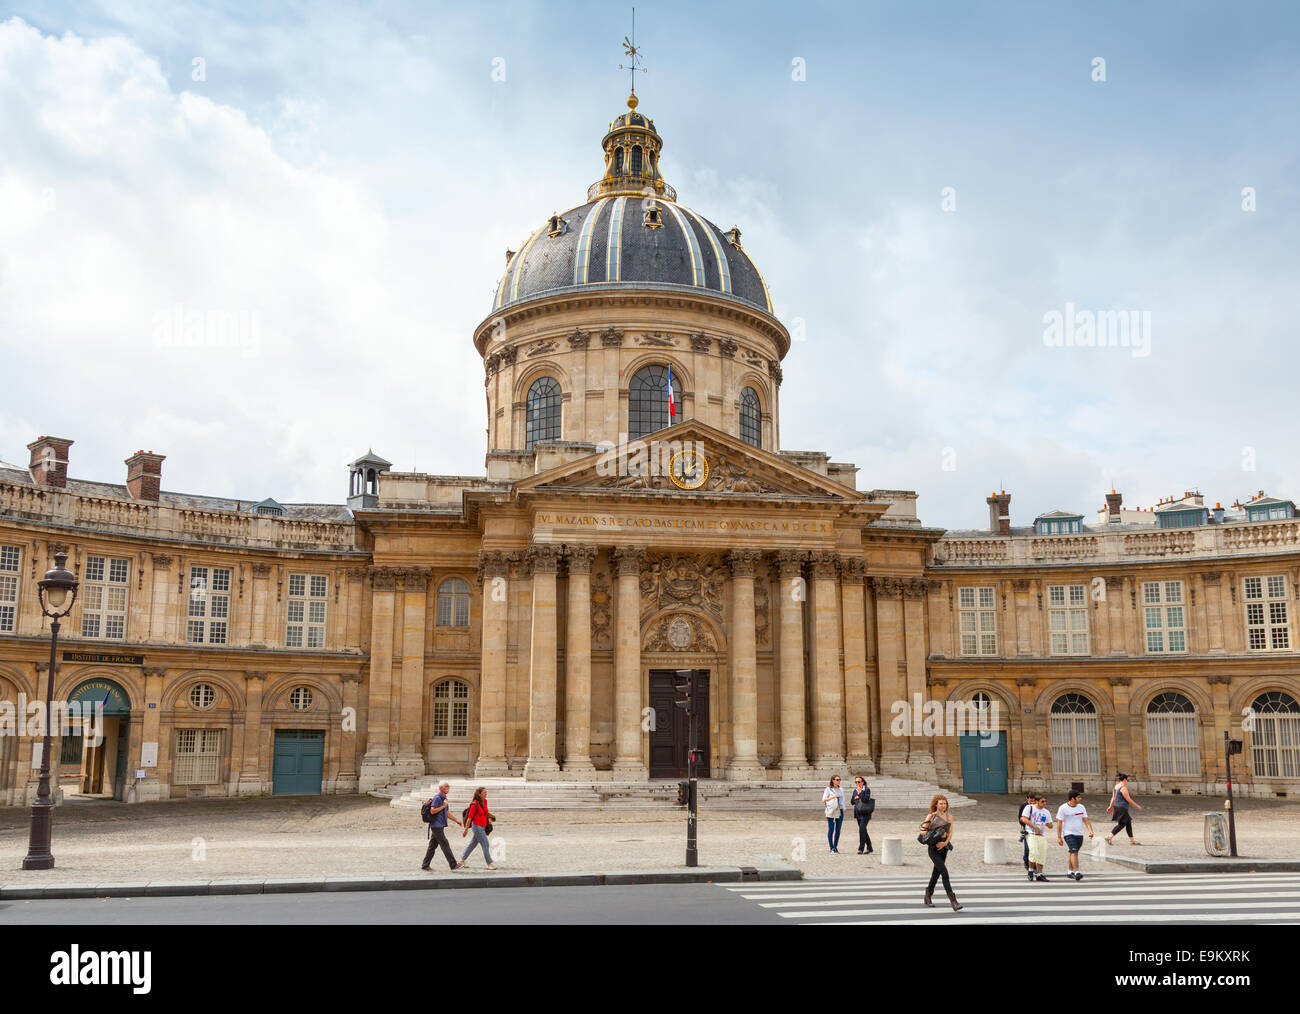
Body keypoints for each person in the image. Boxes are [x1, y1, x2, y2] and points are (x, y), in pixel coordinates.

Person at [920, 794, 962, 911]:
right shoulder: (931, 816)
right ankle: (954, 901)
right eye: (941, 803)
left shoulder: (950, 817)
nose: (943, 805)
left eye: (945, 803)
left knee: (936, 873)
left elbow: (950, 833)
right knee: (944, 872)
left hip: (943, 848)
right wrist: (937, 833)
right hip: (933, 848)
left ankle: (928, 895)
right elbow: (923, 833)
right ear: (936, 805)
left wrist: (944, 843)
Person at [421, 780, 462, 872]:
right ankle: (453, 864)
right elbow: (432, 810)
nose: (448, 788)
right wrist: (443, 806)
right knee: (445, 844)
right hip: (436, 825)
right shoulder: (438, 798)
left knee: (432, 846)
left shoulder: (444, 798)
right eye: (446, 786)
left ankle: (425, 865)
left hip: (440, 825)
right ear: (441, 788)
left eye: (448, 786)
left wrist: (456, 820)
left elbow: (447, 813)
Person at [1056, 788, 1094, 880]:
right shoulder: (1063, 808)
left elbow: (1086, 820)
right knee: (1075, 852)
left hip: (1079, 834)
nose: (1080, 799)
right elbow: (1059, 823)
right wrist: (1059, 837)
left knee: (1073, 852)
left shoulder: (1081, 807)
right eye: (1078, 797)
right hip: (1068, 833)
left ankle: (1070, 871)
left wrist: (1090, 830)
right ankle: (1077, 872)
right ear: (1072, 798)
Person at [457, 786, 497, 870]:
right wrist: (466, 829)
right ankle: (489, 863)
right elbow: (469, 818)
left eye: (486, 792)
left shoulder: (485, 801)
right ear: (479, 794)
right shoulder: (474, 804)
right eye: (484, 792)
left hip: (483, 826)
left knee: (472, 844)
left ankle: (461, 861)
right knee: (485, 844)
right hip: (477, 827)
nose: (486, 794)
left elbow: (485, 812)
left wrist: (489, 818)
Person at [1105, 773, 1143, 845]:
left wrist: (1110, 806)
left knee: (1128, 823)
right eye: (1127, 780)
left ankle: (1132, 841)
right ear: (1125, 780)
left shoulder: (1116, 786)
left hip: (1117, 807)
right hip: (1122, 808)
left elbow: (1113, 797)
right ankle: (1109, 837)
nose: (1127, 782)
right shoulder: (1123, 788)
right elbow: (1128, 799)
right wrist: (1137, 805)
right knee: (1122, 824)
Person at [1024, 793, 1053, 881]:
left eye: (1045, 801)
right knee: (1033, 852)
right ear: (1036, 802)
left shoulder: (1046, 812)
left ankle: (1039, 874)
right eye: (1042, 801)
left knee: (1041, 855)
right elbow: (1024, 819)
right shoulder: (1030, 808)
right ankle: (1030, 871)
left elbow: (1050, 825)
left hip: (1041, 835)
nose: (1044, 803)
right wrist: (1035, 827)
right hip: (1031, 834)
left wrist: (1048, 825)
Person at [851, 775, 874, 855]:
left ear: (863, 782)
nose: (857, 783)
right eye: (856, 782)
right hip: (858, 813)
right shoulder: (855, 791)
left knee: (861, 830)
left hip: (865, 813)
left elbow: (865, 799)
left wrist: (860, 794)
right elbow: (852, 802)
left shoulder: (867, 790)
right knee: (863, 830)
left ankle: (861, 848)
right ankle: (870, 847)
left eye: (859, 782)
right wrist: (856, 798)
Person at [822, 775, 845, 854]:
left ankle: (835, 847)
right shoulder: (828, 789)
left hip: (840, 810)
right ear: (833, 780)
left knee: (838, 830)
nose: (839, 781)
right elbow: (824, 800)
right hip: (831, 810)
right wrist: (833, 797)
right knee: (831, 829)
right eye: (837, 779)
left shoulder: (841, 789)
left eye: (839, 779)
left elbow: (842, 801)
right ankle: (831, 847)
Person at [1018, 790, 1035, 871]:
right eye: (1030, 800)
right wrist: (1024, 825)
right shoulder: (1024, 806)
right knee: (1027, 847)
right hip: (1027, 829)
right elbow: (1020, 817)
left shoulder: (1036, 806)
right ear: (1027, 799)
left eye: (1033, 800)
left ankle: (1033, 864)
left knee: (1034, 848)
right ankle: (1026, 861)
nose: (1031, 802)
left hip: (1035, 829)